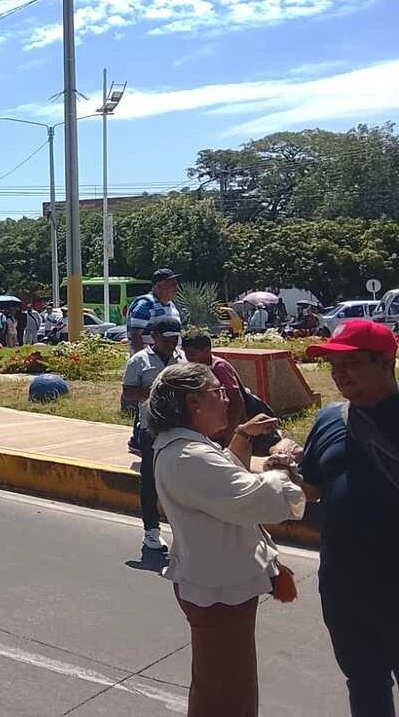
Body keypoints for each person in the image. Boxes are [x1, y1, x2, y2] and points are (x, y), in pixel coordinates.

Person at [148, 362, 305, 717]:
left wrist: (243, 436)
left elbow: (221, 483)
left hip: (215, 584)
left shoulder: (188, 448)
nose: (226, 400)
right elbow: (250, 499)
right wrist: (279, 464)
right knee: (226, 692)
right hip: (219, 591)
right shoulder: (189, 456)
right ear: (194, 403)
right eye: (218, 393)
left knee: (224, 683)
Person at [298, 320, 399, 717]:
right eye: (334, 366)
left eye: (351, 364)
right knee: (365, 684)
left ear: (385, 363)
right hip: (346, 590)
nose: (340, 376)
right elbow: (313, 488)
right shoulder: (330, 420)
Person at [122, 316, 186, 552]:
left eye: (175, 338)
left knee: (179, 479)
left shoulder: (181, 358)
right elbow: (128, 392)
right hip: (151, 427)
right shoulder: (139, 361)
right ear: (155, 337)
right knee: (150, 479)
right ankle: (151, 530)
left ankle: (183, 529)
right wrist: (159, 392)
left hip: (179, 427)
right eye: (167, 339)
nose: (172, 343)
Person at [127, 268, 183, 353]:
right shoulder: (146, 304)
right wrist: (142, 360)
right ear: (159, 286)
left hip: (170, 360)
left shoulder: (172, 305)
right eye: (172, 284)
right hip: (152, 361)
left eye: (175, 284)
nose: (176, 287)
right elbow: (135, 336)